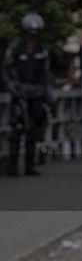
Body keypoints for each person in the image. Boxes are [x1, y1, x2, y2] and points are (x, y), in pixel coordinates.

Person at [3, 13, 52, 176]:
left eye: (35, 34)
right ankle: (12, 167)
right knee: (16, 131)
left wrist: (47, 95)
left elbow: (46, 74)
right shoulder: (15, 47)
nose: (33, 37)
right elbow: (7, 71)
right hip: (19, 94)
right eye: (30, 33)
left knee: (33, 130)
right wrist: (14, 88)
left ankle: (29, 166)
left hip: (37, 95)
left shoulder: (42, 50)